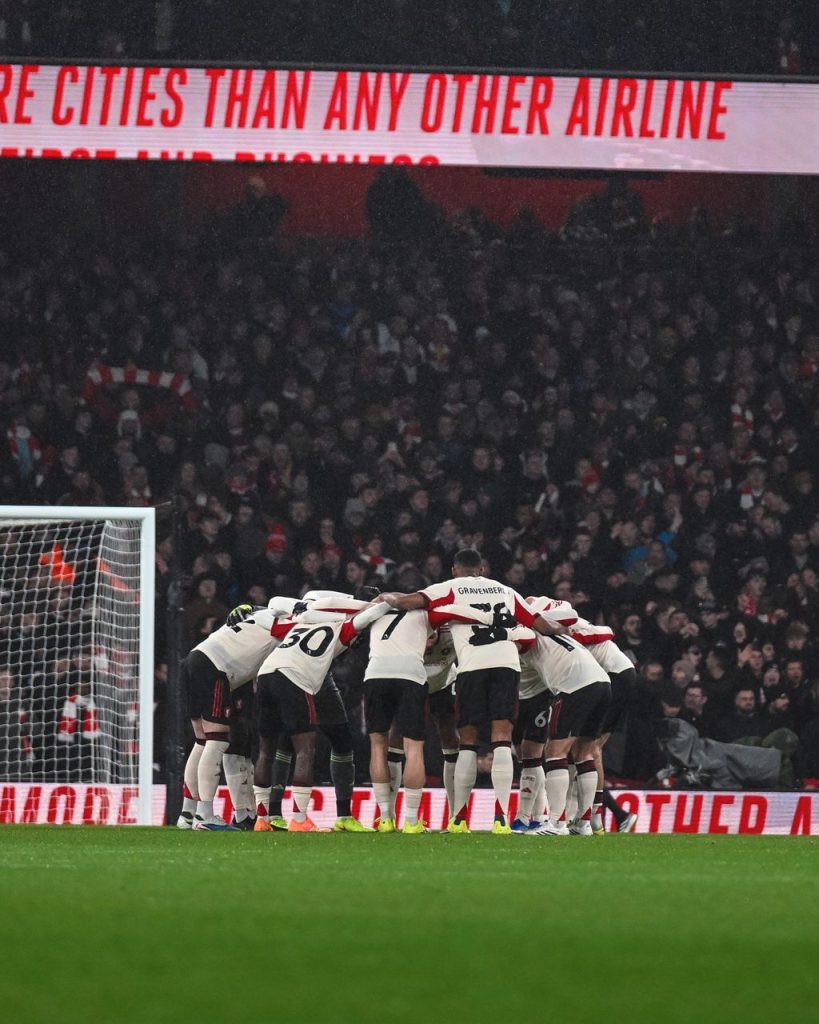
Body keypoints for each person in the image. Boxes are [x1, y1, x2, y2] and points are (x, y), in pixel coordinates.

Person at [380, 547, 566, 835]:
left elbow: (411, 601)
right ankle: (501, 819)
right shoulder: (505, 590)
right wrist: (568, 632)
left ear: (455, 570)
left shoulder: (450, 587)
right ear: (481, 570)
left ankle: (458, 819)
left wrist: (385, 598)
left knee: (467, 741)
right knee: (502, 739)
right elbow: (541, 624)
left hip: (472, 667)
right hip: (506, 664)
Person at [255, 597, 391, 831]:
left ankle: (263, 818)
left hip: (266, 674)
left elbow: (273, 613)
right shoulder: (343, 628)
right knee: (305, 749)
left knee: (267, 749)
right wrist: (389, 601)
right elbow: (367, 617)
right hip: (296, 677)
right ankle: (299, 820)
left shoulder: (301, 622)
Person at [365, 602, 495, 834]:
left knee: (449, 739)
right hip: (411, 682)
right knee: (397, 739)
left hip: (441, 684)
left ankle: (456, 816)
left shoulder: (454, 629)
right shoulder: (410, 628)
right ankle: (390, 816)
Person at [178, 603, 283, 830]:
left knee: (202, 742)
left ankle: (188, 813)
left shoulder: (257, 616)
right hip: (216, 667)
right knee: (217, 741)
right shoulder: (284, 625)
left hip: (195, 660)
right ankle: (205, 815)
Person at [522, 596, 613, 837]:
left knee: (555, 752)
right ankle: (583, 823)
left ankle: (556, 823)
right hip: (603, 683)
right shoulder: (552, 629)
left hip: (575, 685)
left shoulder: (525, 633)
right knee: (583, 753)